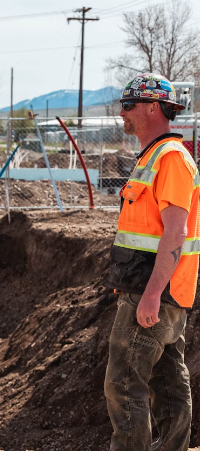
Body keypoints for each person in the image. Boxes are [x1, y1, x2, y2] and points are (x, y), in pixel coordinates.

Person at [104, 73, 197, 451]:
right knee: (168, 382)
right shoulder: (154, 156)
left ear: (152, 107)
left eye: (128, 105)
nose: (121, 112)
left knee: (123, 383)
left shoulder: (171, 158)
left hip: (153, 290)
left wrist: (152, 294)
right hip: (160, 289)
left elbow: (175, 232)